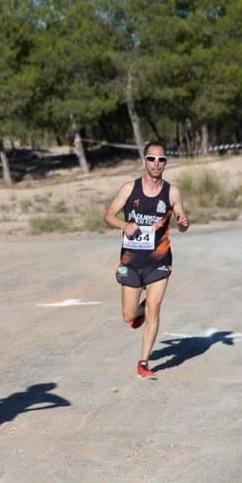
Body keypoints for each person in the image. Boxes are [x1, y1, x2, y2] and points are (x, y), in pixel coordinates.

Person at [104, 142, 189, 380]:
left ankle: (143, 362)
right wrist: (123, 224)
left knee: (154, 308)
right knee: (129, 316)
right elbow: (108, 216)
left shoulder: (172, 192)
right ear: (144, 161)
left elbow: (183, 223)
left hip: (160, 260)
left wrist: (184, 223)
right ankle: (138, 311)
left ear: (165, 163)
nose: (156, 164)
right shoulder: (129, 189)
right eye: (151, 159)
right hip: (132, 260)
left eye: (161, 160)